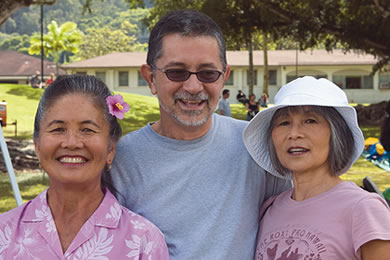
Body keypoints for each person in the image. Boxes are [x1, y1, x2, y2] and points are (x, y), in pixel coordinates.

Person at [108, 9, 291, 260]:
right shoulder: (121, 160)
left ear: (224, 77)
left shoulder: (256, 145)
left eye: (208, 73)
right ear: (150, 78)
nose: (193, 87)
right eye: (176, 72)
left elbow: (304, 212)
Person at [0, 75, 169, 259]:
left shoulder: (143, 243)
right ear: (37, 146)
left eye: (87, 129)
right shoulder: (4, 233)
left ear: (111, 148)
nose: (72, 143)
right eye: (58, 129)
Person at [243, 76, 390, 259]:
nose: (294, 134)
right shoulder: (269, 209)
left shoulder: (363, 209)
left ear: (337, 133)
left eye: (310, 120)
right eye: (284, 123)